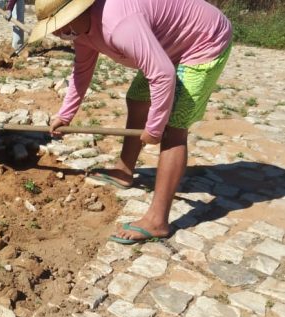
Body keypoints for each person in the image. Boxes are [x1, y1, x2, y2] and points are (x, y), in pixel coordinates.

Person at [29, 0, 232, 244]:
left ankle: (157, 221)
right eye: (54, 27)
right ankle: (124, 171)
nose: (58, 33)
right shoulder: (80, 31)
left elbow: (162, 75)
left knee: (174, 128)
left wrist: (155, 128)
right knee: (137, 99)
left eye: (60, 25)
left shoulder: (118, 24)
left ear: (78, 12)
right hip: (170, 43)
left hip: (203, 39)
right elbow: (81, 71)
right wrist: (65, 114)